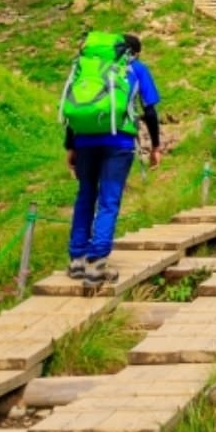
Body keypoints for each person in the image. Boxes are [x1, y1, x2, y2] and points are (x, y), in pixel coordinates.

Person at [66, 34, 161, 284]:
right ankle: (96, 264)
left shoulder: (89, 68)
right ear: (135, 52)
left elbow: (74, 106)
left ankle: (77, 259)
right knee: (109, 199)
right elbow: (149, 111)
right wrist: (155, 146)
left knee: (85, 195)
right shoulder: (136, 69)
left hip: (84, 139)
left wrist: (71, 146)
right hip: (118, 142)